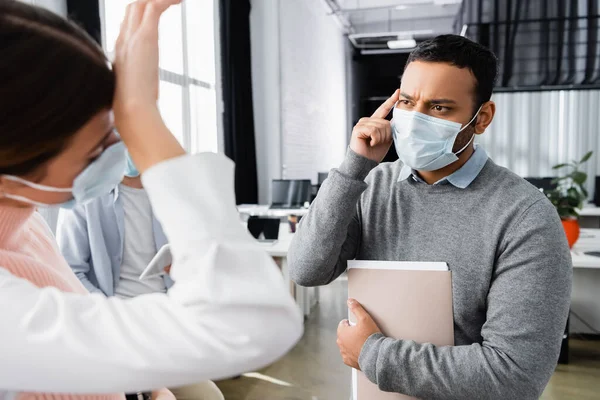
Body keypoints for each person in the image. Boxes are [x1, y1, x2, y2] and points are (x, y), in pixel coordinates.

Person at [0, 1, 302, 399]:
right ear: (20, 154)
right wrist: (142, 114)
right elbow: (251, 320)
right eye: (98, 144)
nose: (118, 147)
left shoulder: (26, 217)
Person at [288, 34, 571, 399]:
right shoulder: (373, 186)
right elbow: (307, 270)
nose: (415, 119)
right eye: (406, 102)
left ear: (481, 118)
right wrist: (354, 166)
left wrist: (372, 353)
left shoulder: (526, 217)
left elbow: (514, 376)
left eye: (439, 108)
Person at [57, 152, 223, 400]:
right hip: (114, 323)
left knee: (208, 397)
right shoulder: (85, 197)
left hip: (166, 319)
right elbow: (70, 271)